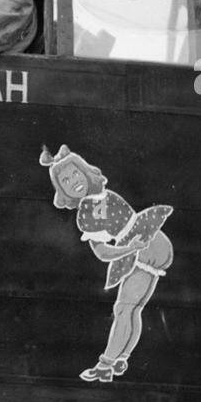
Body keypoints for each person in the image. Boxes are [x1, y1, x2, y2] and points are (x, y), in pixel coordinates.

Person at [39, 144, 174, 383]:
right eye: (65, 180)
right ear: (62, 190)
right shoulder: (98, 199)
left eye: (74, 174)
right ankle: (122, 358)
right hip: (152, 239)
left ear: (84, 172)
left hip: (143, 247)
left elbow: (102, 252)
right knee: (132, 309)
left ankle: (105, 365)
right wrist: (128, 247)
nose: (72, 181)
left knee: (123, 309)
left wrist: (128, 249)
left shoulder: (88, 211)